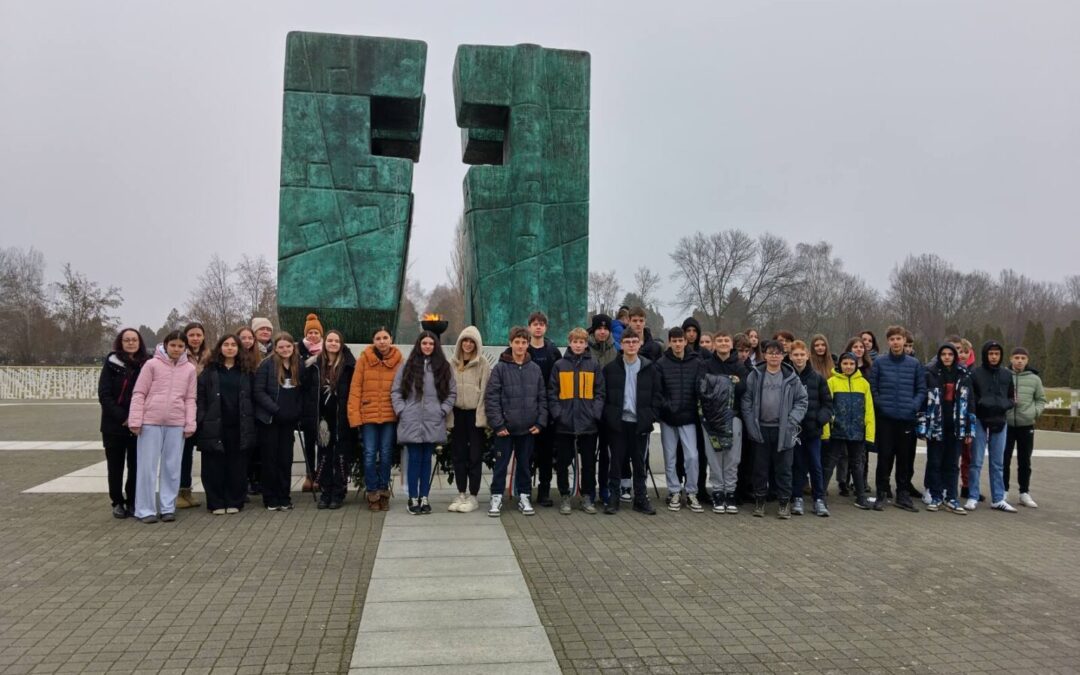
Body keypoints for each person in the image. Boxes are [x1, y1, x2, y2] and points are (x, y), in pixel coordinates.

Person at [129, 331, 197, 523]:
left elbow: (190, 398)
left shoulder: (189, 369)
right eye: (173, 345)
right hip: (150, 422)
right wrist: (135, 420)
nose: (176, 349)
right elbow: (139, 393)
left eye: (180, 346)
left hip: (176, 423)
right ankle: (145, 509)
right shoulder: (152, 365)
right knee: (147, 467)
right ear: (166, 345)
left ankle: (168, 507)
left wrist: (189, 422)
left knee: (172, 467)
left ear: (185, 348)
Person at [485, 326, 548, 517]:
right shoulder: (500, 368)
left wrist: (539, 422)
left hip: (528, 429)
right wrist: (498, 424)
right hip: (505, 429)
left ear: (528, 344)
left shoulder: (535, 369)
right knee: (501, 465)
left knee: (524, 465)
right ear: (510, 343)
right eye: (517, 342)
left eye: (523, 342)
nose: (520, 346)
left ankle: (524, 495)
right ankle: (496, 496)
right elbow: (492, 397)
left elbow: (542, 397)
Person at [392, 331, 456, 515]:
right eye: (424, 343)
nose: (427, 346)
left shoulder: (443, 367)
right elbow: (396, 391)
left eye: (431, 343)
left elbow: (452, 392)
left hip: (433, 420)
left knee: (427, 460)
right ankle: (413, 497)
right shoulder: (408, 366)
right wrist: (402, 410)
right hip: (411, 420)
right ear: (419, 345)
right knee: (414, 460)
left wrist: (442, 410)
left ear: (435, 346)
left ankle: (424, 496)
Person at [741, 340, 808, 519]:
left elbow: (802, 401)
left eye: (777, 353)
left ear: (783, 355)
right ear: (765, 354)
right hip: (760, 429)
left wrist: (792, 420)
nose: (774, 356)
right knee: (760, 469)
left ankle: (784, 503)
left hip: (784, 431)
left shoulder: (791, 377)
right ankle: (759, 502)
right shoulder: (755, 375)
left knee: (784, 469)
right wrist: (750, 423)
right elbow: (746, 400)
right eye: (770, 352)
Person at [601, 329, 662, 515]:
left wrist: (650, 416)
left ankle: (641, 499)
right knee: (616, 463)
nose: (631, 344)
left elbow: (657, 396)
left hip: (640, 423)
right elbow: (604, 396)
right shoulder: (610, 369)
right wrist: (610, 416)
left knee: (639, 463)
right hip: (618, 423)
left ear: (640, 343)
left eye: (635, 341)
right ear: (621, 344)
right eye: (627, 341)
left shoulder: (649, 368)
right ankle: (613, 498)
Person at [868, 326, 926, 512]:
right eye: (892, 339)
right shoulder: (880, 363)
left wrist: (913, 406)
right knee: (884, 458)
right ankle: (881, 494)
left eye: (899, 339)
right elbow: (873, 388)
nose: (896, 342)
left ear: (904, 341)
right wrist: (881, 406)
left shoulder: (914, 364)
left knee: (904, 458)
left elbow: (921, 390)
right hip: (885, 419)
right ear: (888, 342)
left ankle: (903, 494)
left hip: (906, 419)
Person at [196, 334, 255, 515]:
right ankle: (216, 502)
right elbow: (201, 398)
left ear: (239, 349)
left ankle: (234, 500)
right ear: (220, 347)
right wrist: (202, 420)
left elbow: (253, 398)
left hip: (239, 425)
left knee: (236, 465)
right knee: (213, 465)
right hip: (215, 425)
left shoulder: (246, 372)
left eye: (233, 345)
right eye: (226, 344)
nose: (230, 348)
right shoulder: (210, 371)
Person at [549, 327, 605, 514]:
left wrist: (594, 414)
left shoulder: (594, 365)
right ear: (569, 342)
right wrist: (559, 415)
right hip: (565, 425)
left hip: (588, 425)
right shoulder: (559, 365)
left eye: (582, 342)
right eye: (575, 342)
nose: (578, 345)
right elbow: (552, 394)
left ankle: (587, 496)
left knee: (588, 463)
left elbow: (600, 393)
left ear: (586, 343)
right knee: (563, 462)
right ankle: (565, 495)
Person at [347, 327, 402, 511]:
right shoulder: (363, 360)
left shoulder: (399, 361)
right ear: (373, 341)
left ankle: (383, 491)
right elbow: (355, 389)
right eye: (378, 338)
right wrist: (354, 416)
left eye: (385, 337)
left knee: (386, 454)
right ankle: (372, 492)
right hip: (368, 416)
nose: (382, 341)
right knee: (370, 454)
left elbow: (404, 388)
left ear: (391, 339)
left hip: (389, 416)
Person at [98, 328, 149, 519]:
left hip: (139, 425)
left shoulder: (147, 363)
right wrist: (124, 417)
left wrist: (136, 417)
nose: (130, 343)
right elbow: (104, 395)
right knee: (115, 466)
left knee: (136, 466)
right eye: (126, 340)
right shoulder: (112, 363)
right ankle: (117, 502)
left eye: (134, 340)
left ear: (139, 342)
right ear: (120, 342)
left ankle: (133, 500)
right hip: (114, 425)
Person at [917, 342, 973, 514]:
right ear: (940, 356)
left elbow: (970, 403)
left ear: (954, 356)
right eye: (944, 354)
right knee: (934, 462)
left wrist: (969, 430)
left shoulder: (964, 375)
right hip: (936, 425)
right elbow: (923, 402)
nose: (947, 357)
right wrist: (922, 427)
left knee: (952, 464)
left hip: (956, 427)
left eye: (950, 354)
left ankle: (952, 498)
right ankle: (935, 496)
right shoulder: (931, 374)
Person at [253, 333, 305, 512]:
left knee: (285, 459)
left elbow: (303, 391)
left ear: (293, 347)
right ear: (275, 348)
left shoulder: (299, 365)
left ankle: (284, 496)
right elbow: (258, 392)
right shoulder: (266, 365)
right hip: (270, 420)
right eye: (281, 347)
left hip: (289, 422)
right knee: (270, 460)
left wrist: (297, 411)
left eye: (288, 346)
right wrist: (276, 410)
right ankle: (270, 497)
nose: (285, 350)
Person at [656, 327, 703, 512]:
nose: (677, 344)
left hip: (688, 416)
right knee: (670, 457)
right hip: (668, 418)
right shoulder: (661, 363)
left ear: (685, 341)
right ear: (669, 342)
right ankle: (674, 490)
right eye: (674, 341)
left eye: (680, 340)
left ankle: (691, 492)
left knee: (692, 456)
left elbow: (699, 388)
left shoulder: (696, 362)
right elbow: (658, 392)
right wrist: (667, 406)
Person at [308, 329, 356, 510]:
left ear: (341, 343)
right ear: (324, 342)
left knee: (341, 455)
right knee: (324, 455)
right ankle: (325, 491)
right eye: (330, 340)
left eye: (337, 340)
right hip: (323, 419)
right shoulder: (315, 365)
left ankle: (339, 492)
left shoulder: (349, 365)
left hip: (342, 417)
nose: (333, 343)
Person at [967, 340, 1017, 512]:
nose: (994, 357)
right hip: (981, 420)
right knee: (976, 461)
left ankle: (998, 498)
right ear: (985, 354)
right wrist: (982, 404)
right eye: (991, 353)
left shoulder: (1007, 374)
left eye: (997, 353)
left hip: (1000, 420)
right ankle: (972, 496)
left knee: (997, 463)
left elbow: (1012, 397)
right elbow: (972, 398)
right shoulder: (975, 374)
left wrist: (1005, 405)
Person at [822, 353, 874, 510]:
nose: (849, 366)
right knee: (829, 463)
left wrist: (870, 433)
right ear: (840, 365)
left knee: (857, 464)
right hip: (837, 430)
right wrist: (826, 431)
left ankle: (860, 496)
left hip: (857, 432)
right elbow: (827, 407)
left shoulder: (864, 384)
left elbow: (869, 410)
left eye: (852, 363)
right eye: (845, 363)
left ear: (856, 365)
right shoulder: (832, 382)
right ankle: (821, 495)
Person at [447, 326, 490, 513]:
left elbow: (485, 393)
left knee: (474, 456)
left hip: (474, 415)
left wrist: (482, 418)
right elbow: (447, 390)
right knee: (458, 455)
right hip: (457, 414)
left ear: (476, 344)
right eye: (465, 340)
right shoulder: (452, 363)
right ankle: (461, 492)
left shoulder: (483, 364)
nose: (468, 344)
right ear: (460, 342)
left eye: (472, 341)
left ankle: (473, 495)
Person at [789, 341, 833, 516]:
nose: (799, 358)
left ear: (807, 356)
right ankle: (797, 498)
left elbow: (828, 404)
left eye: (802, 355)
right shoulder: (788, 378)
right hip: (794, 432)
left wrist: (818, 420)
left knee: (816, 465)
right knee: (797, 465)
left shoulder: (818, 378)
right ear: (791, 357)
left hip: (813, 431)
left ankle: (819, 499)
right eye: (796, 355)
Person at [700, 331, 741, 513]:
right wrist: (729, 382)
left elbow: (745, 387)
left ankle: (730, 492)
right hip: (711, 418)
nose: (723, 343)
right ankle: (717, 491)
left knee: (732, 457)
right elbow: (701, 387)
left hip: (733, 417)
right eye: (720, 340)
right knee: (714, 456)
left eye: (726, 340)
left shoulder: (740, 366)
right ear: (714, 345)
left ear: (731, 344)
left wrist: (718, 383)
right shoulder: (706, 365)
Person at [525, 311, 562, 507]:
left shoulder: (553, 352)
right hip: (528, 411)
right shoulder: (522, 349)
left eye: (541, 324)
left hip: (548, 411)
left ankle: (544, 491)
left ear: (546, 327)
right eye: (534, 324)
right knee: (527, 453)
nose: (538, 327)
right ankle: (523, 490)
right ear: (529, 327)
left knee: (546, 454)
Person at [1004, 347, 1047, 508]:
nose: (1019, 360)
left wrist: (1034, 413)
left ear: (1027, 360)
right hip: (1007, 425)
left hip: (1026, 424)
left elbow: (1041, 399)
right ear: (1011, 359)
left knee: (1024, 460)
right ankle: (1003, 491)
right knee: (1004, 459)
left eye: (1023, 358)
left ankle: (1024, 492)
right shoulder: (1004, 375)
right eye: (1016, 357)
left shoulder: (1034, 379)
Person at [587, 314, 618, 504]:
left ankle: (604, 488)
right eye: (599, 328)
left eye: (606, 329)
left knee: (606, 453)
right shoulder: (586, 349)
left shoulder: (616, 350)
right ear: (594, 330)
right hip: (589, 409)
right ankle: (589, 490)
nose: (602, 332)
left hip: (609, 409)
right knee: (590, 453)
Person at [177, 322, 208, 510]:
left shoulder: (209, 356)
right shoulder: (180, 355)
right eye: (192, 335)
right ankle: (182, 491)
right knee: (183, 454)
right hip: (184, 409)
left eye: (199, 335)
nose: (195, 338)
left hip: (204, 408)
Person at [296, 313, 324, 491]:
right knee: (309, 442)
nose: (313, 335)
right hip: (306, 405)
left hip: (322, 404)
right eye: (310, 332)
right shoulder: (298, 351)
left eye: (316, 332)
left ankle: (320, 476)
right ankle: (309, 474)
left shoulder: (326, 351)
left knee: (323, 441)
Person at [237, 326, 263, 495]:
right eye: (243, 337)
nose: (247, 340)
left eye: (250, 338)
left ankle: (255, 480)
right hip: (239, 409)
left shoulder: (259, 360)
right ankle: (242, 482)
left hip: (255, 409)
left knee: (255, 448)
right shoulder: (234, 357)